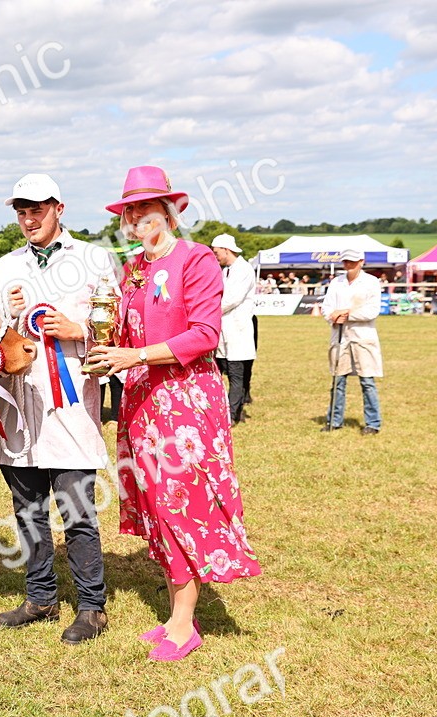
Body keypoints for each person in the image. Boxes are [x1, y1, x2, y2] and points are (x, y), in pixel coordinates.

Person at [88, 165, 261, 662]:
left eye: (145, 208)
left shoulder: (197, 259)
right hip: (141, 400)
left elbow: (206, 334)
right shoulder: (132, 269)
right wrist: (91, 338)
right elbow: (119, 332)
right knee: (156, 507)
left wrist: (136, 356)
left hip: (186, 400)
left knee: (181, 504)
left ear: (170, 211)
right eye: (129, 210)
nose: (137, 217)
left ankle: (185, 625)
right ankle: (176, 615)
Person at [0, 174, 117, 645]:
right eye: (21, 210)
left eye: (36, 208)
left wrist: (78, 328)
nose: (28, 218)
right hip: (20, 406)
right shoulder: (5, 266)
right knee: (27, 510)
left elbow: (115, 328)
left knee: (77, 509)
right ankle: (40, 596)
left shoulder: (94, 259)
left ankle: (92, 606)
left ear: (59, 207)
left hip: (72, 404)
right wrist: (6, 311)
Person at [321, 249, 383, 435]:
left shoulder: (371, 282)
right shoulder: (336, 282)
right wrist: (332, 316)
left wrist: (345, 314)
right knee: (338, 380)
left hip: (362, 337)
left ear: (361, 262)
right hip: (340, 336)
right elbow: (327, 307)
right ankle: (334, 420)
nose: (349, 265)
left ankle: (373, 422)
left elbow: (371, 311)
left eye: (353, 262)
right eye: (346, 262)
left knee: (367, 381)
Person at [212, 233, 256, 425]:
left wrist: (209, 311)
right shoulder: (226, 271)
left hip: (237, 330)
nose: (215, 256)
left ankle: (232, 415)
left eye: (216, 252)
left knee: (236, 375)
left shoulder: (244, 269)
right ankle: (222, 410)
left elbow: (231, 299)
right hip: (223, 330)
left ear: (226, 249)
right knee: (220, 372)